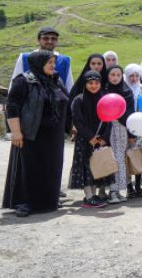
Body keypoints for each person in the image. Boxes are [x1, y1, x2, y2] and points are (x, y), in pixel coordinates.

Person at [3, 51, 70, 217]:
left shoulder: (56, 80)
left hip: (53, 136)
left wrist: (71, 127)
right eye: (50, 63)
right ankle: (24, 202)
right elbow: (12, 106)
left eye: (54, 62)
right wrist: (16, 132)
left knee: (51, 168)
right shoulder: (23, 81)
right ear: (39, 63)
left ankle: (48, 200)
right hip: (31, 134)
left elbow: (64, 103)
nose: (53, 66)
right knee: (30, 169)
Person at [69, 71, 113, 208]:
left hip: (101, 140)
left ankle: (94, 195)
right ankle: (89, 196)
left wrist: (104, 137)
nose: (94, 86)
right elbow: (77, 121)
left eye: (97, 83)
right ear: (85, 84)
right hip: (85, 141)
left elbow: (109, 120)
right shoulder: (78, 100)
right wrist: (90, 137)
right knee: (85, 168)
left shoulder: (104, 99)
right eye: (90, 83)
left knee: (97, 167)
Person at [103, 66, 135, 204]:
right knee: (108, 158)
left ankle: (117, 190)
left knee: (119, 158)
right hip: (106, 128)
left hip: (121, 128)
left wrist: (131, 134)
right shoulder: (103, 90)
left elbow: (130, 114)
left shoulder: (127, 92)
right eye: (112, 75)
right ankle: (110, 190)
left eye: (118, 75)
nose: (115, 77)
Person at [10, 26, 73, 91]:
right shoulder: (25, 58)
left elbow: (69, 87)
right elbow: (14, 84)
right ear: (38, 40)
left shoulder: (64, 61)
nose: (50, 41)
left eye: (53, 39)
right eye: (45, 38)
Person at [123, 64, 142, 198]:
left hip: (141, 129)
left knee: (138, 156)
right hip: (125, 128)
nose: (134, 78)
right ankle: (129, 187)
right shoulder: (122, 89)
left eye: (137, 75)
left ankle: (138, 186)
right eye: (131, 75)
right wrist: (129, 133)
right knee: (127, 158)